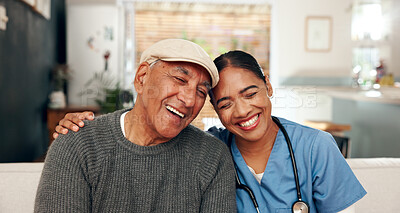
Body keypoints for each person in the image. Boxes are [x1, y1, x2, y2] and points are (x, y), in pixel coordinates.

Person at [55, 50, 366, 213]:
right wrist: (82, 128)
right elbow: (158, 129)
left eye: (250, 93)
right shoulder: (210, 149)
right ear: (216, 111)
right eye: (226, 103)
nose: (243, 112)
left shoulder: (316, 148)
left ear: (268, 86)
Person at [35, 39, 237, 212]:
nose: (190, 100)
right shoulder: (77, 144)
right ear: (142, 78)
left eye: (201, 92)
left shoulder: (212, 156)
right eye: (179, 79)